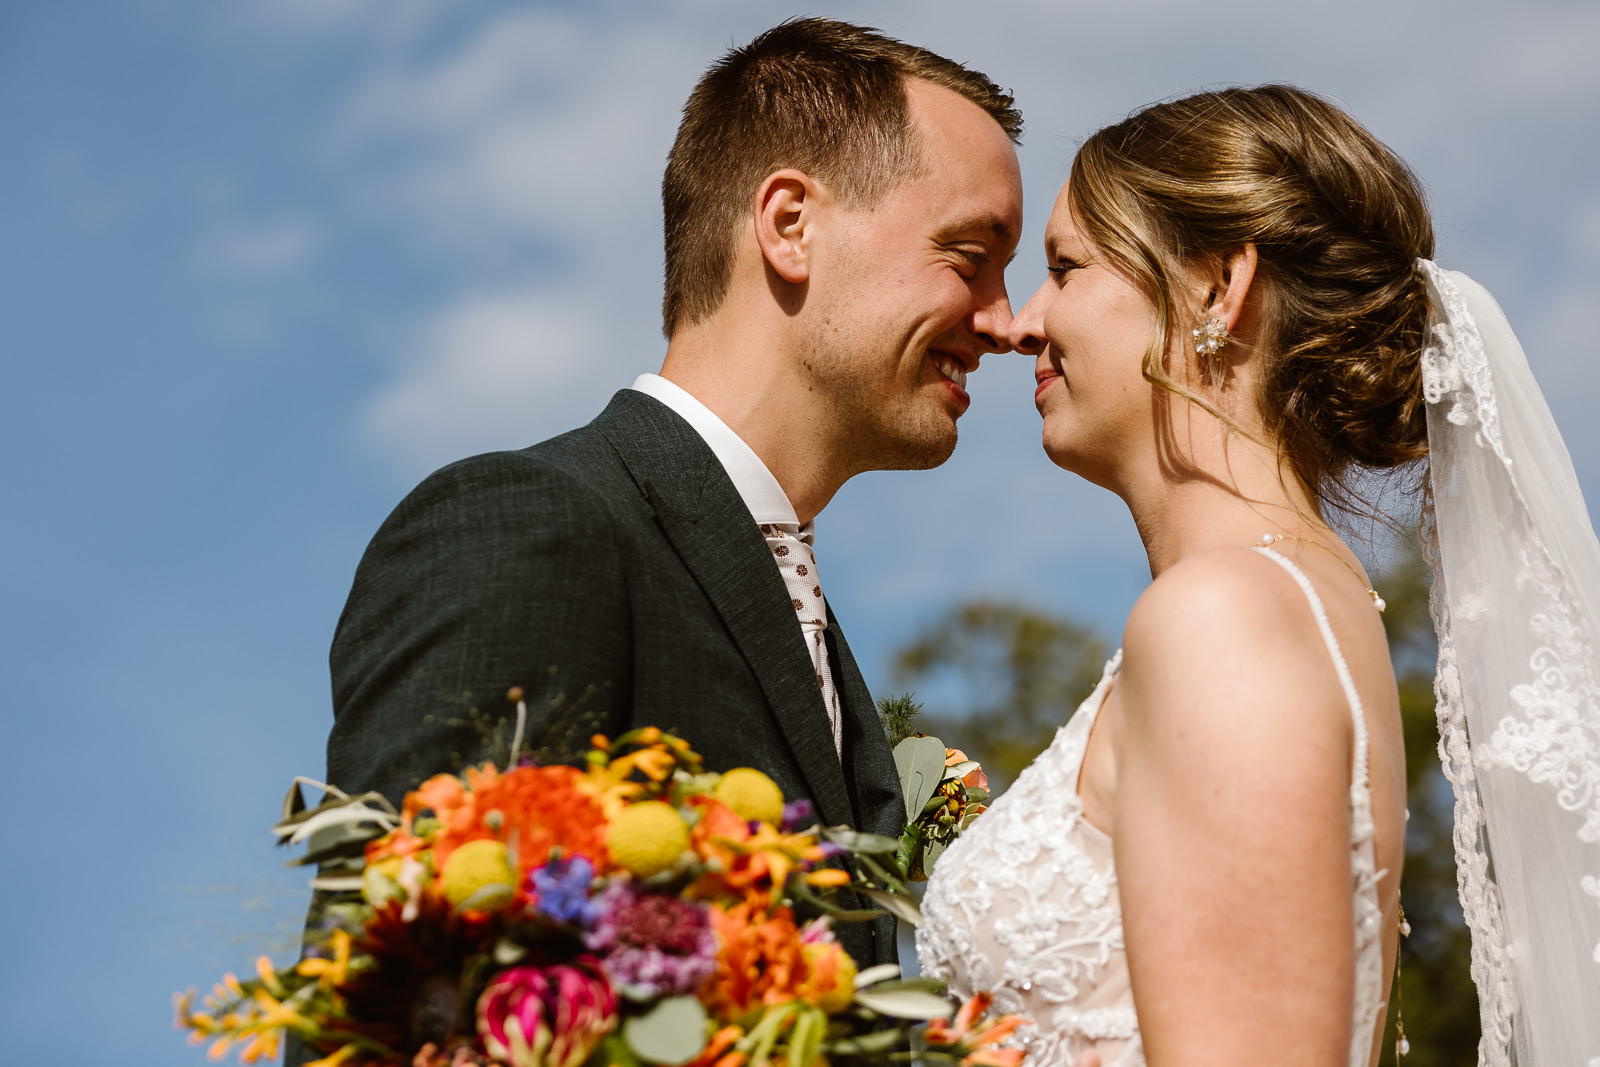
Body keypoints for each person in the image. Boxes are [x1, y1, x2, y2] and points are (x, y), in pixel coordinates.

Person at [317, 15, 1022, 982]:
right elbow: (401, 998)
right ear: (789, 225)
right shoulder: (531, 527)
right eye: (969, 256)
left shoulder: (799, 608)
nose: (1004, 321)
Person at [921, 85, 1429, 1067]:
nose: (1023, 323)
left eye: (1065, 267)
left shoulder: (1222, 617)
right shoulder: (1287, 600)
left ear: (1217, 285)